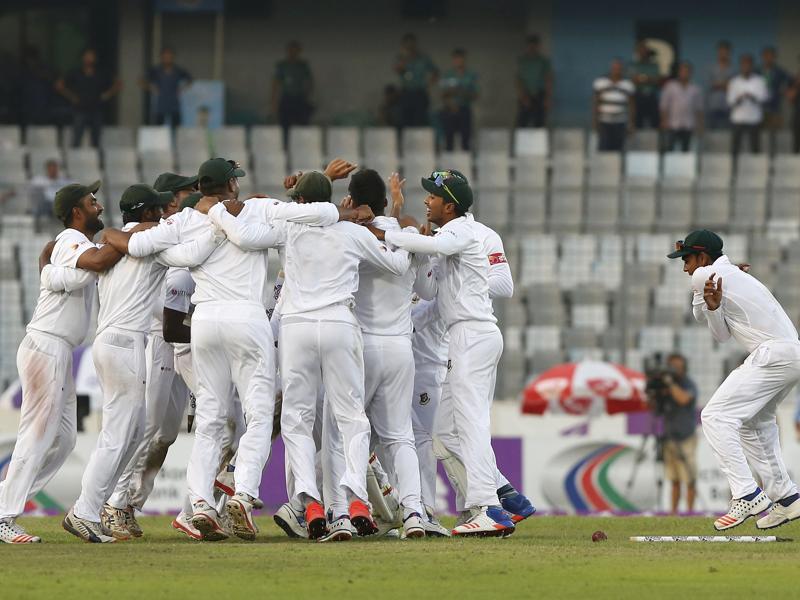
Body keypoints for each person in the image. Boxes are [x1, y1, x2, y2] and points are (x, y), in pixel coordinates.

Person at [63, 184, 220, 543]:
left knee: (131, 434)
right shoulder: (154, 243)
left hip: (107, 340)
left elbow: (118, 236)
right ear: (150, 213)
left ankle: (97, 507)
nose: (165, 216)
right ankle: (85, 511)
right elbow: (189, 252)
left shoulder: (112, 243)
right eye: (159, 212)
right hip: (126, 343)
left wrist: (115, 232)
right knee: (120, 436)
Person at [370, 170, 517, 537]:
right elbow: (430, 289)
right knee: (446, 431)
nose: (427, 202)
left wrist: (384, 233)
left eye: (433, 197)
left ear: (449, 205)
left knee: (471, 423)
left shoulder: (462, 232)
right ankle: (482, 504)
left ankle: (491, 508)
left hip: (473, 334)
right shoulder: (448, 234)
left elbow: (435, 248)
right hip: (465, 336)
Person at [275, 168, 411, 540]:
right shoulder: (353, 232)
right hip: (339, 322)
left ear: (302, 202)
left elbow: (256, 216)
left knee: (297, 420)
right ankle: (353, 501)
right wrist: (398, 226)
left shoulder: (289, 229)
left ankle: (311, 503)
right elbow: (398, 264)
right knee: (351, 417)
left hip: (297, 327)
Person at [0, 182, 124, 544]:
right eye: (91, 201)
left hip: (57, 350)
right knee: (37, 435)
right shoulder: (73, 239)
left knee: (65, 439)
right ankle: (4, 515)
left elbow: (71, 267)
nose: (99, 205)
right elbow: (99, 263)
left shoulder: (74, 244)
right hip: (46, 347)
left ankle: (6, 498)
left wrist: (48, 273)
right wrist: (128, 240)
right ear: (76, 212)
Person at [319, 170, 433, 541]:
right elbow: (426, 290)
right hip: (401, 346)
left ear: (352, 200)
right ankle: (415, 512)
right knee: (400, 436)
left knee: (339, 433)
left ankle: (341, 513)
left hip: (359, 347)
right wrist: (399, 217)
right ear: (386, 200)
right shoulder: (408, 236)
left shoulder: (347, 233)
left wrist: (342, 214)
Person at [668, 229, 800, 531]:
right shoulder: (727, 275)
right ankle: (787, 498)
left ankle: (746, 494)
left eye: (687, 259)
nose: (684, 267)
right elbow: (721, 334)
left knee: (715, 416)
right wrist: (714, 306)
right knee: (756, 424)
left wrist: (705, 292)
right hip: (791, 354)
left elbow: (701, 314)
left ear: (702, 257)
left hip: (773, 354)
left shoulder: (705, 275)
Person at [102, 172, 198, 527]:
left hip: (180, 338)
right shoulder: (157, 230)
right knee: (149, 428)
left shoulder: (180, 225)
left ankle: (131, 504)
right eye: (187, 191)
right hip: (159, 339)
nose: (193, 195)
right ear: (170, 198)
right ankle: (115, 503)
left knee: (167, 433)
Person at [646, 353, 699, 513]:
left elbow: (683, 399)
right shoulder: (665, 386)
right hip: (668, 437)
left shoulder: (688, 384)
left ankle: (690, 512)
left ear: (684, 368)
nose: (674, 370)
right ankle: (673, 513)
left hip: (686, 437)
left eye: (677, 367)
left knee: (689, 478)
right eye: (671, 367)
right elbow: (652, 406)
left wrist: (670, 384)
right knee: (674, 478)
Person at [55, 48, 121, 147]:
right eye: (87, 56)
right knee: (77, 139)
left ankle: (95, 160)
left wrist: (108, 94)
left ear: (95, 59)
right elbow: (59, 85)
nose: (89, 59)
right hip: (80, 109)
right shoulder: (75, 72)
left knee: (96, 141)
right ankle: (74, 160)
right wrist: (71, 96)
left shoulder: (102, 72)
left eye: (91, 56)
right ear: (82, 58)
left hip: (97, 109)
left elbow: (118, 83)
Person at [271, 41, 313, 147]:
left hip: (299, 99)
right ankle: (286, 149)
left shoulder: (302, 66)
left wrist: (307, 98)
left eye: (295, 50)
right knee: (285, 127)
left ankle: (301, 148)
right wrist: (274, 103)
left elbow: (309, 83)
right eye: (291, 50)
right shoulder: (283, 66)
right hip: (286, 99)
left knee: (302, 127)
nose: (293, 52)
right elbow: (276, 84)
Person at [394, 33, 438, 128]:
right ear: (403, 45)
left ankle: (420, 141)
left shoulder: (423, 58)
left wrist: (429, 84)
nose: (410, 46)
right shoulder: (400, 58)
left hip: (420, 92)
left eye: (411, 44)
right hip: (406, 92)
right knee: (405, 121)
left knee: (420, 121)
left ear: (415, 44)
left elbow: (435, 71)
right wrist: (404, 57)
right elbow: (398, 70)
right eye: (407, 44)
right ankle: (406, 142)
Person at [728, 54, 768, 155]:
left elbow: (764, 98)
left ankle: (756, 169)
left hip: (754, 119)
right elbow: (730, 101)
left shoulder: (760, 81)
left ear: (752, 65)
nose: (746, 66)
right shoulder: (734, 82)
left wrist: (752, 97)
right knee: (735, 147)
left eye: (748, 64)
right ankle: (734, 169)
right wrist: (740, 98)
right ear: (741, 65)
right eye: (744, 64)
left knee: (755, 147)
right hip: (738, 118)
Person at [439, 49, 478, 151]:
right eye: (456, 59)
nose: (458, 61)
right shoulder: (447, 75)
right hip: (449, 110)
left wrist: (461, 91)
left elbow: (475, 94)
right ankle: (448, 165)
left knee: (466, 141)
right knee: (448, 141)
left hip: (464, 109)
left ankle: (464, 164)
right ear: (453, 60)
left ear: (464, 59)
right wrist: (451, 104)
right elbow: (442, 94)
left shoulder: (471, 75)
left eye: (460, 58)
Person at [659, 61, 703, 152]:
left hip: (688, 124)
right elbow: (664, 106)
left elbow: (699, 109)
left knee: (686, 151)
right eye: (682, 71)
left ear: (691, 73)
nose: (684, 73)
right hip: (672, 124)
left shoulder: (695, 89)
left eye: (687, 71)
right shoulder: (670, 86)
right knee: (669, 150)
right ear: (679, 72)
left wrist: (699, 125)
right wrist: (664, 121)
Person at [593, 58, 635, 152]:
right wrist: (595, 121)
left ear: (622, 69)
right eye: (614, 68)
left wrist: (631, 123)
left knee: (618, 149)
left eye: (619, 68)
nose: (616, 70)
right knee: (604, 148)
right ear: (611, 68)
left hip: (621, 122)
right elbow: (595, 103)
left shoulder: (628, 84)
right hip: (604, 121)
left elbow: (632, 105)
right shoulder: (600, 82)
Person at [145, 47, 192, 128]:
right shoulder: (156, 70)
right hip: (161, 104)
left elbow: (190, 79)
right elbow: (141, 80)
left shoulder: (178, 70)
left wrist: (182, 89)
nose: (167, 59)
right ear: (161, 57)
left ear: (173, 57)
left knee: (176, 127)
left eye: (169, 56)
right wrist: (151, 88)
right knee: (158, 128)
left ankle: (176, 140)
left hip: (174, 103)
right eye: (165, 57)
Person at [516, 34, 553, 128]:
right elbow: (518, 80)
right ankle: (521, 142)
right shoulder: (522, 61)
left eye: (534, 45)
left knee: (539, 123)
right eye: (530, 45)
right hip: (525, 94)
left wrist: (547, 98)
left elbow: (548, 79)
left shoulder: (543, 61)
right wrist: (522, 96)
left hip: (540, 94)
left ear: (538, 46)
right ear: (527, 46)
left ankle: (538, 142)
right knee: (522, 122)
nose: (532, 48)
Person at [629, 40, 661, 129]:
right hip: (638, 96)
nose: (643, 52)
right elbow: (632, 80)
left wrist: (641, 78)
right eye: (640, 50)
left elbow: (657, 80)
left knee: (655, 122)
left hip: (651, 96)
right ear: (637, 52)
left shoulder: (653, 65)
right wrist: (648, 79)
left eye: (645, 50)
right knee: (637, 121)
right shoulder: (633, 65)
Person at [760, 46, 790, 133]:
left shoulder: (779, 71)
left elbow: (790, 81)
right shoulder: (757, 71)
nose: (768, 58)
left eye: (771, 56)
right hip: (760, 107)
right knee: (760, 133)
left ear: (774, 57)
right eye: (766, 56)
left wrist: (784, 90)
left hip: (775, 106)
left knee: (775, 133)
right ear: (763, 57)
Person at [706, 40, 734, 130]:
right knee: (711, 131)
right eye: (721, 51)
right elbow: (710, 84)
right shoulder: (711, 68)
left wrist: (718, 84)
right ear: (718, 52)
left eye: (726, 51)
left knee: (728, 132)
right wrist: (725, 84)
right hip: (713, 105)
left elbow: (733, 87)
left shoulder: (733, 69)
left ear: (729, 53)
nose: (723, 54)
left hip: (728, 105)